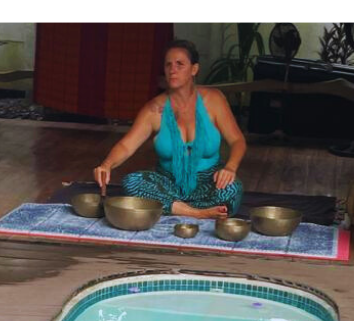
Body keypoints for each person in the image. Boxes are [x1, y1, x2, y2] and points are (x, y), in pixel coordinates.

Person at [92, 39, 247, 220]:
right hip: (169, 183)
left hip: (210, 182)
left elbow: (237, 140)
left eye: (180, 64)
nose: (173, 69)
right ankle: (197, 213)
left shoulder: (214, 100)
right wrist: (106, 165)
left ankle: (171, 207)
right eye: (168, 65)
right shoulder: (153, 109)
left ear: (194, 69)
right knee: (132, 182)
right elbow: (126, 146)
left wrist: (230, 168)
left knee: (231, 189)